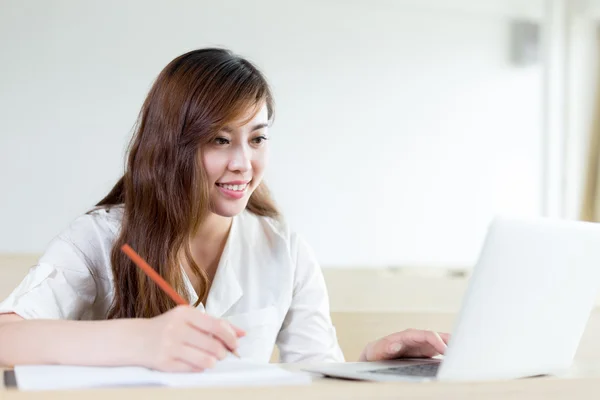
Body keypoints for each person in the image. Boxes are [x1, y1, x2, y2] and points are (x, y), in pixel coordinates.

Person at [0, 48, 449, 371]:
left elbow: (315, 372)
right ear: (170, 145)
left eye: (256, 139)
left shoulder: (284, 249)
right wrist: (139, 340)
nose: (243, 163)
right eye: (219, 139)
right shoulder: (100, 238)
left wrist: (373, 365)